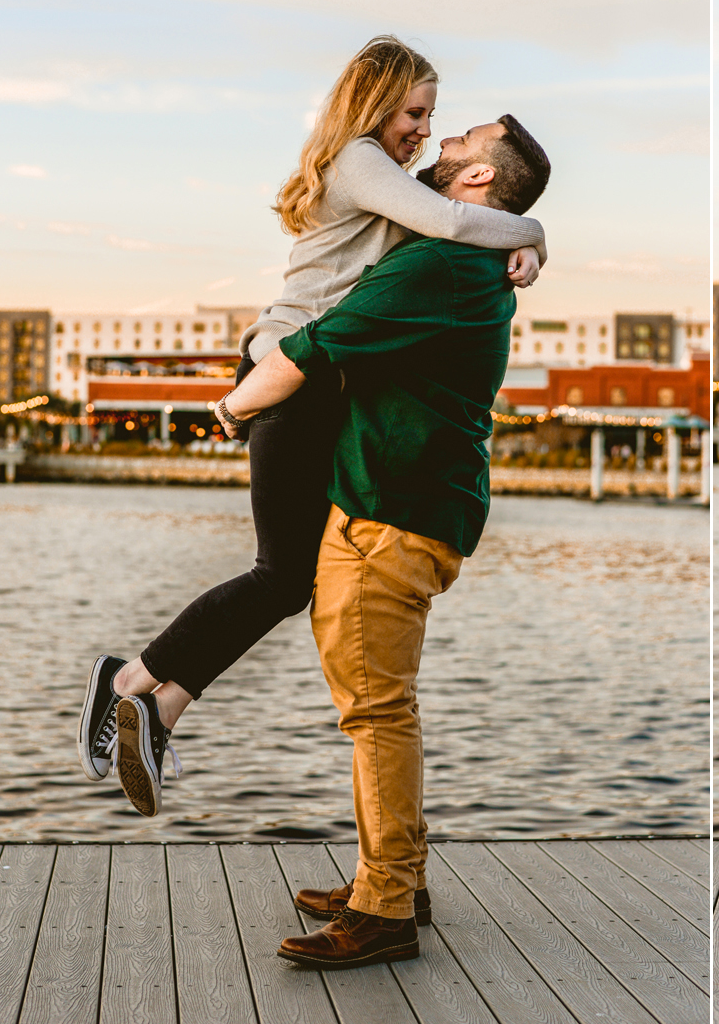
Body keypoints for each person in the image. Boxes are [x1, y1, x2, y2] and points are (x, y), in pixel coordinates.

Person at [76, 36, 547, 818]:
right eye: (418, 113)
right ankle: (127, 681)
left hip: (310, 379)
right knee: (281, 575)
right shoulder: (362, 160)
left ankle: (154, 710)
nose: (426, 131)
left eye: (435, 121)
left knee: (294, 578)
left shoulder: (384, 176)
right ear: (376, 103)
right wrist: (535, 236)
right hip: (287, 371)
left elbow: (455, 224)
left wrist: (527, 243)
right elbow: (457, 223)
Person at [215, 113, 550, 969]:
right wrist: (535, 238)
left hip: (390, 513)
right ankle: (389, 873)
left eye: (458, 145)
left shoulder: (441, 265)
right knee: (377, 706)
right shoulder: (464, 258)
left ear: (479, 181)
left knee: (376, 712)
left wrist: (232, 406)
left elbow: (313, 346)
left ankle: (387, 907)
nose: (440, 149)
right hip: (398, 506)